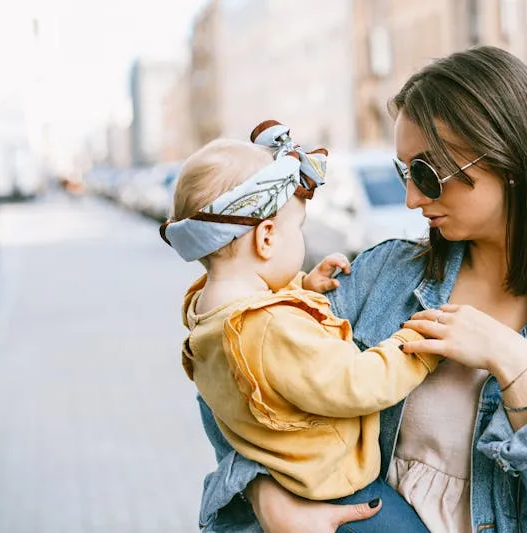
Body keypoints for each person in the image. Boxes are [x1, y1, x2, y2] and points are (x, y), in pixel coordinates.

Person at [194, 46, 527, 533]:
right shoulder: (383, 274)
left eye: (428, 174)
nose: (411, 198)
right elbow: (234, 375)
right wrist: (267, 495)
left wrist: (519, 371)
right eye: (405, 173)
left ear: (508, 158)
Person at [160, 120, 441, 533]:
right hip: (333, 491)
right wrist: (417, 343)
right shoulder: (271, 327)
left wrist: (301, 288)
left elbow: (260, 347)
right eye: (299, 228)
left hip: (283, 481)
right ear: (267, 238)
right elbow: (355, 383)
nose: (302, 239)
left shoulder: (210, 312)